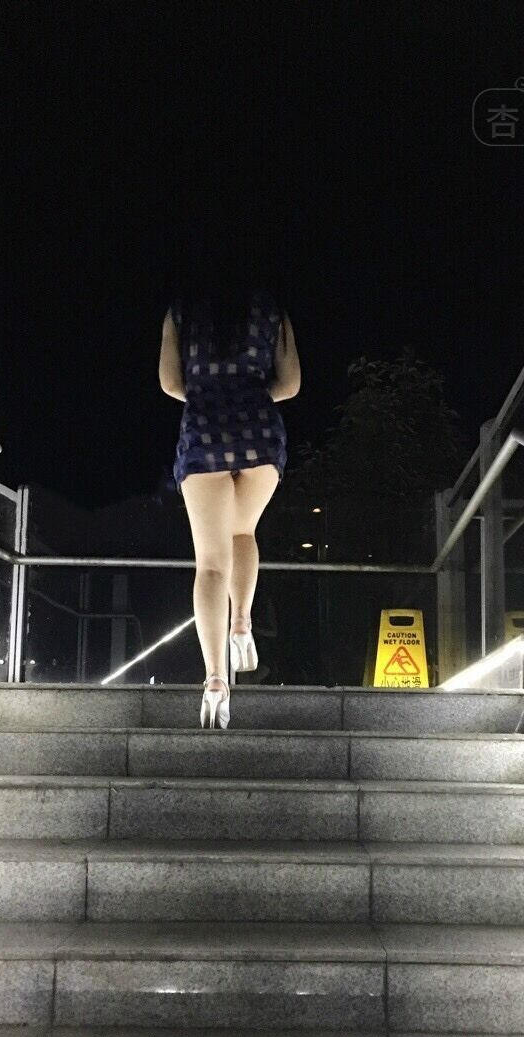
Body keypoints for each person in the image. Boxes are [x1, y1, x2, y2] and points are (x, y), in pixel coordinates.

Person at [159, 270, 300, 728]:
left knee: (210, 565)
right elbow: (291, 385)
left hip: (204, 433)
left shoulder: (181, 311)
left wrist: (210, 396)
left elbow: (170, 383)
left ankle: (216, 679)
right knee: (244, 530)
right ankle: (242, 623)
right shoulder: (271, 309)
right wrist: (248, 395)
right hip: (260, 432)